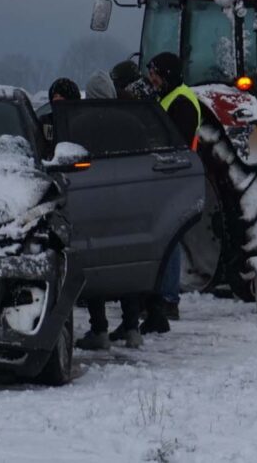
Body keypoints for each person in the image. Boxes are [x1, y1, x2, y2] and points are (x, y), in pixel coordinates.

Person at [74, 71, 144, 351]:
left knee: (96, 263)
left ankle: (99, 329)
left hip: (96, 200)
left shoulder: (80, 124)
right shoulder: (134, 121)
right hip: (130, 200)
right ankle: (132, 328)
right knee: (126, 262)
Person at [141, 51, 201, 333]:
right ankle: (156, 295)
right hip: (163, 174)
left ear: (167, 75)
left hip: (174, 174)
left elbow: (174, 140)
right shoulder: (166, 97)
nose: (151, 80)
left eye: (155, 75)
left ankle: (168, 297)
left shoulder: (183, 102)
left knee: (170, 237)